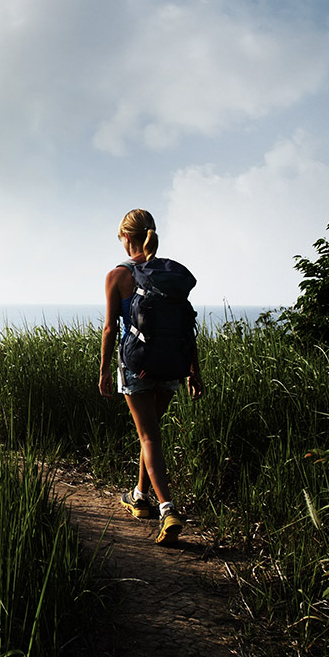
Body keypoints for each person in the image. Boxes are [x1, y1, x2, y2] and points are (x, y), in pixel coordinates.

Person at [97, 209, 204, 545]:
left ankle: (168, 509)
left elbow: (111, 328)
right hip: (172, 365)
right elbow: (187, 327)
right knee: (152, 434)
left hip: (136, 366)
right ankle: (139, 496)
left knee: (149, 438)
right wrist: (193, 371)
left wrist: (103, 371)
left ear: (127, 237)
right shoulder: (168, 274)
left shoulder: (118, 275)